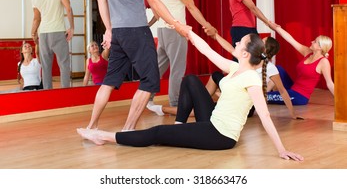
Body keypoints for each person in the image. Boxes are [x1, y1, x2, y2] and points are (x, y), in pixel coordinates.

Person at [77, 31, 303, 161]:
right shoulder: (236, 68)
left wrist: (281, 150)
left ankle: (104, 136)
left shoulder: (251, 79)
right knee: (191, 80)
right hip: (213, 120)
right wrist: (187, 31)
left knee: (157, 132)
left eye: (239, 42)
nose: (234, 43)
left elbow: (264, 116)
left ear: (244, 53)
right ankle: (179, 125)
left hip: (221, 136)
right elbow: (207, 51)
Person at [85, 0, 191, 131]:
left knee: (109, 80)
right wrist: (176, 24)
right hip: (136, 30)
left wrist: (108, 28)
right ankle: (128, 129)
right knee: (150, 80)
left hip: (119, 32)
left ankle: (91, 126)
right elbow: (153, 0)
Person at [148, 34, 300, 119]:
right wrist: (215, 35)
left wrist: (292, 114)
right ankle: (203, 100)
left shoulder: (270, 68)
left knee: (203, 111)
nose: (260, 40)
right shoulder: (249, 60)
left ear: (265, 49)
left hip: (246, 107)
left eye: (263, 41)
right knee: (214, 76)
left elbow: (283, 91)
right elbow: (229, 48)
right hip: (237, 98)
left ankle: (163, 109)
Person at [148, 0, 217, 107]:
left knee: (158, 68)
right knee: (177, 69)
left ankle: (146, 97)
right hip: (176, 31)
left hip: (162, 31)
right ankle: (175, 103)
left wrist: (149, 25)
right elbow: (191, 7)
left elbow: (156, 8)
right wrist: (207, 25)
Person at [268, 22, 334, 105]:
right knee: (278, 69)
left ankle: (264, 95)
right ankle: (265, 93)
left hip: (299, 97)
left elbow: (330, 83)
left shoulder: (323, 62)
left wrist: (342, 101)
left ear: (320, 47)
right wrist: (276, 28)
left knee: (265, 97)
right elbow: (291, 40)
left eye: (315, 41)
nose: (312, 41)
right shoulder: (308, 52)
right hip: (293, 89)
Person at [31, 0, 74, 89]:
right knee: (64, 65)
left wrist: (33, 32)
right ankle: (65, 92)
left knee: (46, 66)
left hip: (44, 34)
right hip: (58, 32)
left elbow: (36, 19)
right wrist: (71, 28)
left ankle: (47, 93)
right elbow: (68, 9)